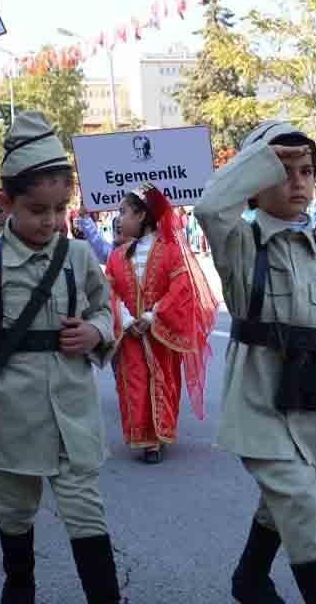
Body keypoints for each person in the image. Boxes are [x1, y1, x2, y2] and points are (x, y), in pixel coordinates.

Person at [0, 111, 122, 604]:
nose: (51, 221)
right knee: (15, 512)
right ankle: (19, 586)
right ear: (8, 203)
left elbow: (106, 310)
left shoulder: (78, 256)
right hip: (11, 414)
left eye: (60, 209)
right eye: (38, 210)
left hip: (72, 411)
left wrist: (95, 332)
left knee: (85, 510)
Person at [195, 121, 316, 604]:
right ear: (255, 182)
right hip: (257, 398)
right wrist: (262, 157)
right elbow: (209, 207)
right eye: (283, 172)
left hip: (308, 400)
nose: (298, 182)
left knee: (285, 495)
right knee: (302, 505)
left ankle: (249, 577)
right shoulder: (241, 243)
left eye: (306, 171)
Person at [106, 184, 217, 464]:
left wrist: (151, 316)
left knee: (164, 381)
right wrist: (129, 319)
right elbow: (109, 292)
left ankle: (158, 436)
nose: (118, 218)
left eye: (123, 211)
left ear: (141, 215)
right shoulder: (116, 256)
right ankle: (144, 438)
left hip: (159, 332)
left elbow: (181, 289)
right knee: (134, 383)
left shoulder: (170, 251)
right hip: (130, 333)